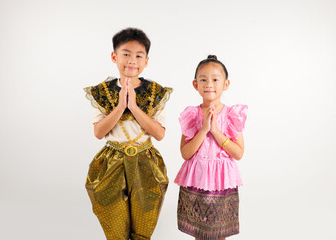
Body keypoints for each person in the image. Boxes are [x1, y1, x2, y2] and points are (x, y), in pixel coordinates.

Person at [84, 28, 172, 240]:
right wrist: (120, 106)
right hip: (112, 161)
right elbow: (99, 132)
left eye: (138, 55)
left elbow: (159, 134)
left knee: (144, 218)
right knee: (114, 220)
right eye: (126, 54)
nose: (132, 60)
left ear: (146, 61)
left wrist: (133, 106)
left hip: (146, 161)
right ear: (114, 56)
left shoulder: (155, 93)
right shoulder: (103, 92)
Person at [174, 55, 247, 240]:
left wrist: (215, 132)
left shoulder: (232, 115)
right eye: (203, 79)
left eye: (215, 79)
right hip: (196, 180)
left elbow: (238, 153)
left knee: (219, 233)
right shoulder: (191, 115)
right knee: (199, 233)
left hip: (222, 182)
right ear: (195, 84)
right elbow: (185, 153)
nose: (209, 84)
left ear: (226, 84)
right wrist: (204, 129)